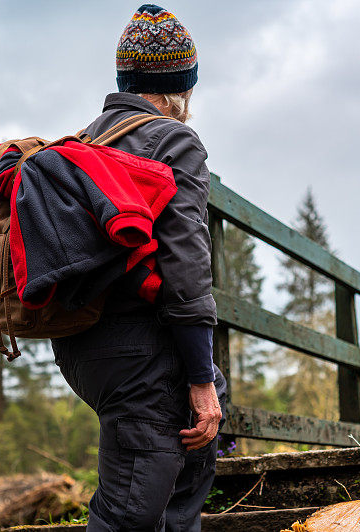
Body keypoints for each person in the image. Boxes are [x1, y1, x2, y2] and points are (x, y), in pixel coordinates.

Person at [50, 4, 226, 531]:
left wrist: (207, 379)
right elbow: (186, 264)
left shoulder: (85, 142)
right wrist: (199, 377)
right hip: (140, 353)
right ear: (182, 88)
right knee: (129, 513)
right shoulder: (175, 141)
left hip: (82, 347)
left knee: (191, 458)